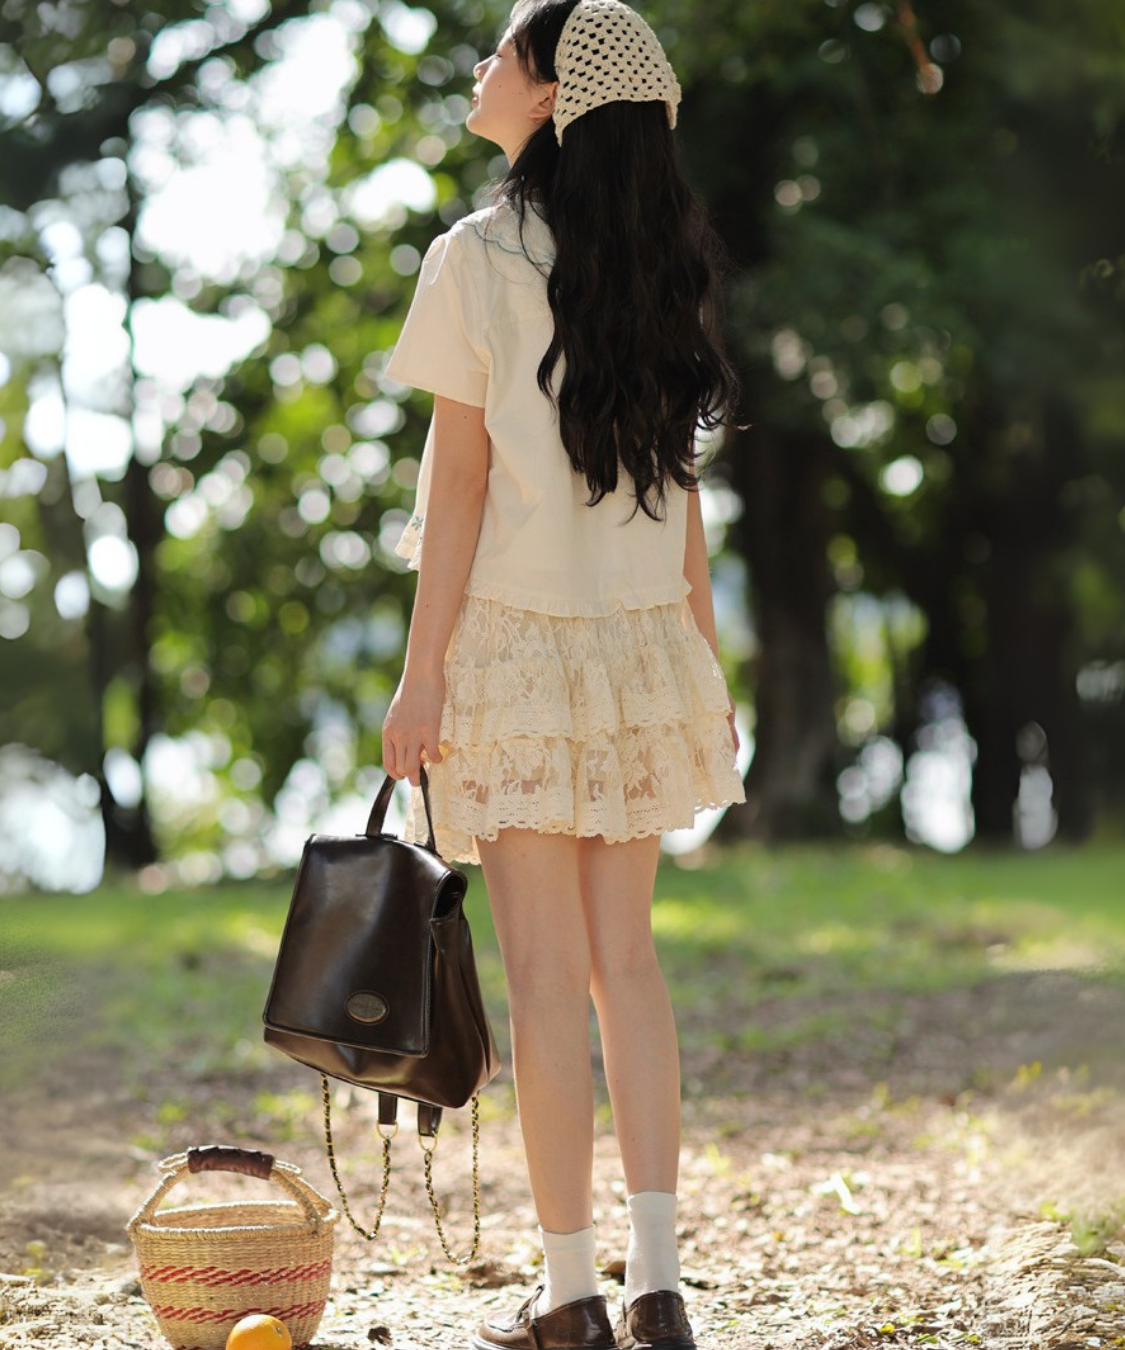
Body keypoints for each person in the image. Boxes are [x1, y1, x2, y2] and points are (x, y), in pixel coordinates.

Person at [381, 2, 745, 1346]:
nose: (482, 67)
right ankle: (658, 1285)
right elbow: (681, 490)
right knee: (625, 967)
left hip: (519, 646)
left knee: (543, 976)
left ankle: (572, 1292)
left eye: (501, 50)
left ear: (547, 96)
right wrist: (704, 661)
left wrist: (421, 676)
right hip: (644, 645)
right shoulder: (656, 261)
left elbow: (459, 490)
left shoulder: (475, 256)